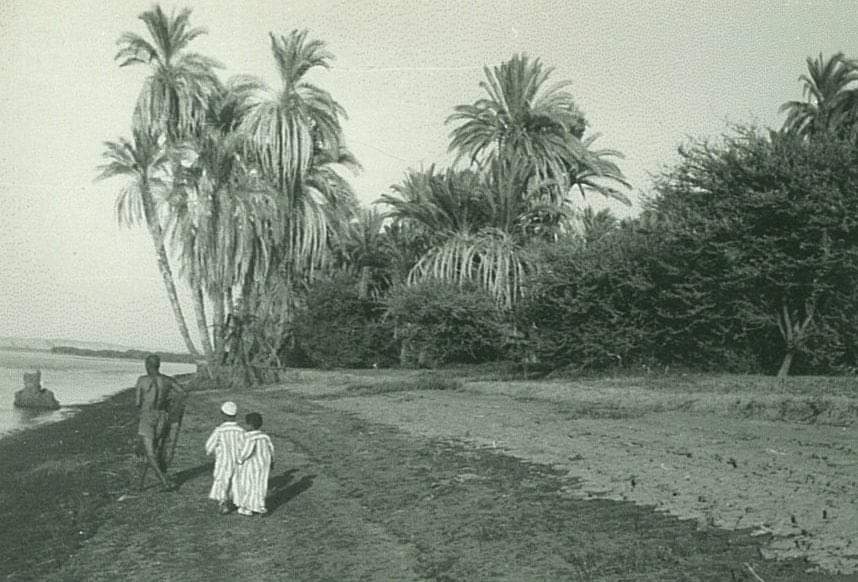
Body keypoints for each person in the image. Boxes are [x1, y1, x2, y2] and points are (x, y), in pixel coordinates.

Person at [135, 354, 185, 490]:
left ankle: (165, 482)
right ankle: (140, 484)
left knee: (149, 452)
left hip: (148, 416)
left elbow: (138, 402)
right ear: (158, 365)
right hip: (162, 416)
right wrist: (170, 405)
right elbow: (182, 393)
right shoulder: (167, 380)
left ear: (147, 365)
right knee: (151, 449)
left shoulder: (142, 380)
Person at [205, 401, 245, 514]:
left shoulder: (219, 431)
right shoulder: (241, 431)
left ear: (223, 415)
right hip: (238, 461)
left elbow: (209, 446)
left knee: (223, 481)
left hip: (223, 461)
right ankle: (239, 502)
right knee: (236, 481)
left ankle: (223, 503)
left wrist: (214, 451)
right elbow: (244, 446)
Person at [236, 412, 275, 516]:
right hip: (264, 464)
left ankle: (247, 507)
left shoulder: (249, 437)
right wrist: (272, 461)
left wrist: (239, 460)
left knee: (249, 485)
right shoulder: (265, 436)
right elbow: (271, 449)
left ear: (249, 424)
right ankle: (260, 506)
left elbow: (247, 451)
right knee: (261, 485)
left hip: (252, 465)